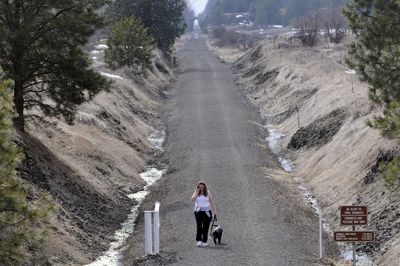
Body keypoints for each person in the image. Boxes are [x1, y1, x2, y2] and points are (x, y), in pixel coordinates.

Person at [191, 181, 218, 247]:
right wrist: (197, 193)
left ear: (204, 187)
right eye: (199, 187)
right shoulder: (196, 193)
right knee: (199, 226)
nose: (201, 188)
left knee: (206, 227)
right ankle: (199, 240)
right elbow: (192, 200)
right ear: (197, 188)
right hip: (198, 212)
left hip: (207, 212)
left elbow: (211, 202)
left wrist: (215, 211)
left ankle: (205, 241)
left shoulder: (208, 193)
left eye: (202, 187)